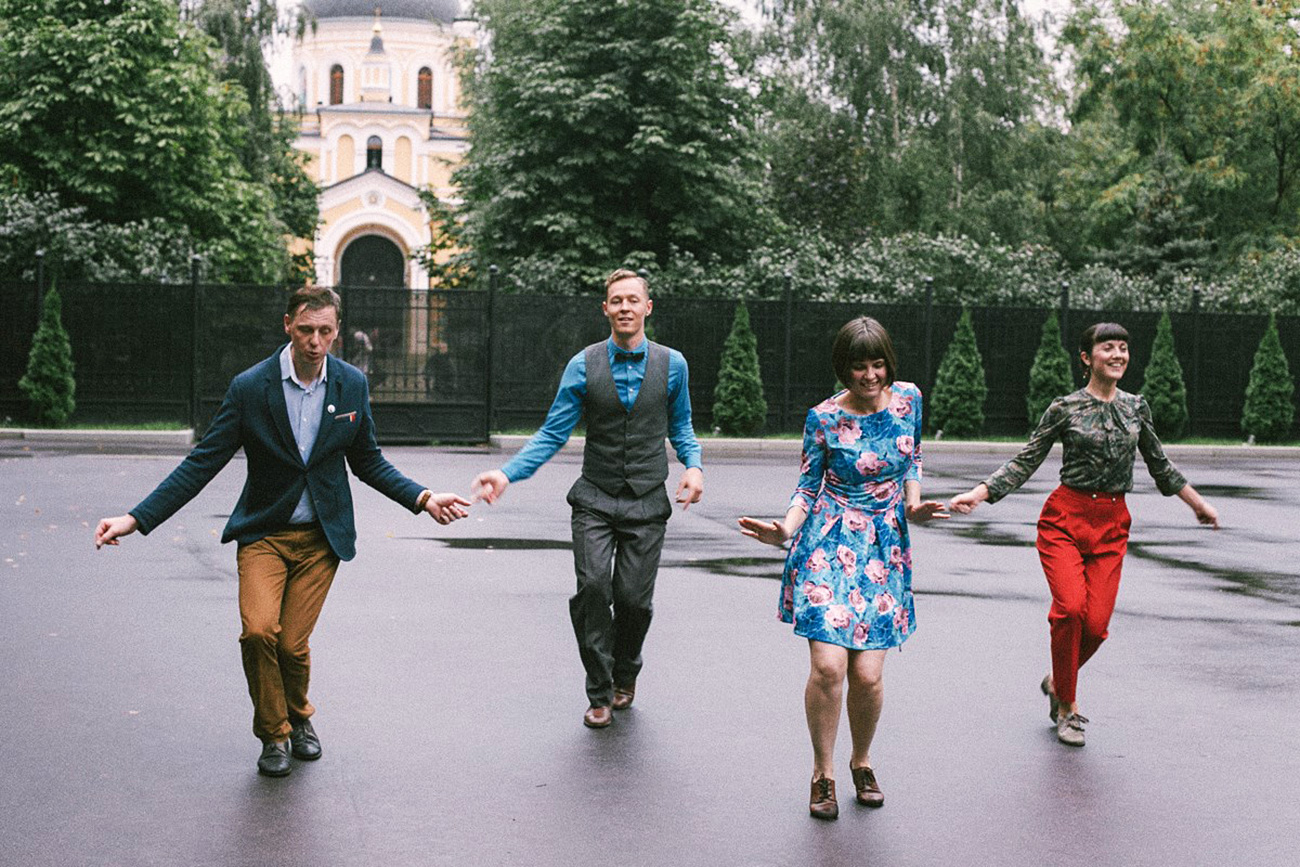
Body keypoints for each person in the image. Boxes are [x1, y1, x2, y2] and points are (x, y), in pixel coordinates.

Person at [94, 286, 471, 776]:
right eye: (306, 330)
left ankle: (299, 717)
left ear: (336, 331)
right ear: (288, 325)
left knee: (292, 644)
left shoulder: (351, 385)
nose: (316, 341)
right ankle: (275, 734)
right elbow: (202, 463)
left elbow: (368, 460)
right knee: (257, 632)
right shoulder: (252, 387)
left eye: (325, 331)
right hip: (264, 534)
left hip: (321, 538)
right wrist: (135, 518)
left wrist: (423, 498)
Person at [948, 321, 1219, 747]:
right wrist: (980, 493)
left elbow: (1160, 464)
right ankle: (1068, 709)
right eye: (1107, 347)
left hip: (1112, 523)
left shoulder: (1135, 408)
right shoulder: (1065, 408)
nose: (1118, 355)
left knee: (1096, 625)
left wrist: (1198, 503)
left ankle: (1058, 679)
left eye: (1124, 348)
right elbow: (1026, 459)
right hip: (1065, 520)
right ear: (1086, 357)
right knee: (1070, 609)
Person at [471, 269, 704, 729]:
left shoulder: (672, 364)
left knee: (634, 601)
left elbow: (681, 426)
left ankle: (626, 672)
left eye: (632, 300)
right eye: (616, 300)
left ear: (647, 307)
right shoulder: (583, 364)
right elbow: (552, 433)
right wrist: (507, 473)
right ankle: (599, 692)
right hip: (595, 499)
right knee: (595, 590)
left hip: (646, 501)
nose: (624, 307)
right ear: (605, 309)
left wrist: (694, 465)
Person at [739, 317, 947, 820]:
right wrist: (786, 530)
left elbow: (913, 456)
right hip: (827, 542)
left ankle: (862, 761)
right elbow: (808, 485)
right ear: (843, 369)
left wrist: (914, 503)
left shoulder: (910, 401)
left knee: (869, 676)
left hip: (883, 548)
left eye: (878, 365)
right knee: (830, 666)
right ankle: (823, 772)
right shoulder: (824, 418)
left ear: (889, 365)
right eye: (859, 367)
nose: (870, 375)